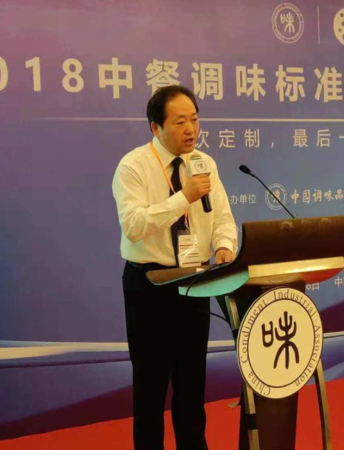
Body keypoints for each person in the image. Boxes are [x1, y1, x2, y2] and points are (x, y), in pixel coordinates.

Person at [112, 85, 238, 450]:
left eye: (195, 120)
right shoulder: (133, 166)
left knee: (192, 386)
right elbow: (134, 225)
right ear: (156, 127)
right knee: (150, 389)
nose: (191, 129)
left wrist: (224, 247)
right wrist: (184, 197)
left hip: (195, 280)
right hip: (150, 284)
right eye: (180, 122)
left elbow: (223, 218)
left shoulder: (204, 164)